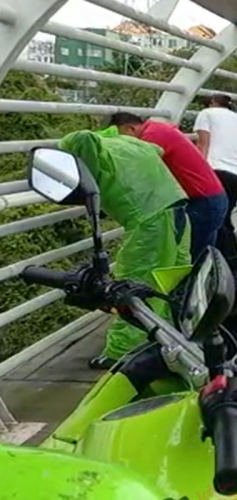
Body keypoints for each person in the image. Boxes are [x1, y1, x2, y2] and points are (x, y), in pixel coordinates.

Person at [59, 127, 190, 370]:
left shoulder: (88, 145)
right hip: (176, 207)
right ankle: (170, 335)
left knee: (134, 283)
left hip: (148, 218)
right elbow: (157, 149)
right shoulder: (130, 143)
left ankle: (121, 353)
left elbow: (81, 138)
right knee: (172, 278)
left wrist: (70, 152)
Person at [109, 113, 228, 262]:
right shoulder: (160, 129)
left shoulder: (152, 137)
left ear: (130, 129)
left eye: (122, 137)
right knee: (202, 255)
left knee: (189, 257)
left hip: (202, 201)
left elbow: (138, 172)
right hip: (211, 197)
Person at [193, 94, 237, 258]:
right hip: (233, 175)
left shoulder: (207, 114)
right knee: (225, 220)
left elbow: (203, 144)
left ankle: (210, 260)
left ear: (212, 102)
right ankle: (231, 259)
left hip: (212, 172)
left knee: (208, 221)